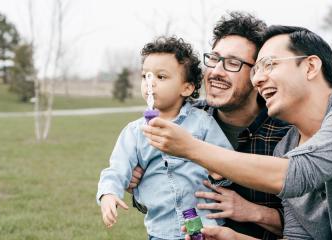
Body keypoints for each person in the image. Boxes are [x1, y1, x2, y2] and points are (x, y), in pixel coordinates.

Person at [143, 25, 332, 239]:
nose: (258, 79)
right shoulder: (286, 148)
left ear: (310, 67)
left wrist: (191, 148)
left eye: (269, 65)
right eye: (256, 70)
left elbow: (298, 174)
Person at [129, 12, 290, 240]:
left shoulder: (285, 134)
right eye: (213, 59)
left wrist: (253, 212)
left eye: (233, 63)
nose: (215, 72)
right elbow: (158, 202)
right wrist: (137, 182)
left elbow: (312, 228)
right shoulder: (184, 118)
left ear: (258, 75)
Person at [96, 36, 233, 240]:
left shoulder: (202, 123)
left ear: (186, 88)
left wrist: (218, 171)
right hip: (161, 230)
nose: (150, 84)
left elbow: (227, 160)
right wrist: (108, 193)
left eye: (160, 77)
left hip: (204, 225)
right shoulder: (134, 132)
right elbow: (117, 169)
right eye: (145, 76)